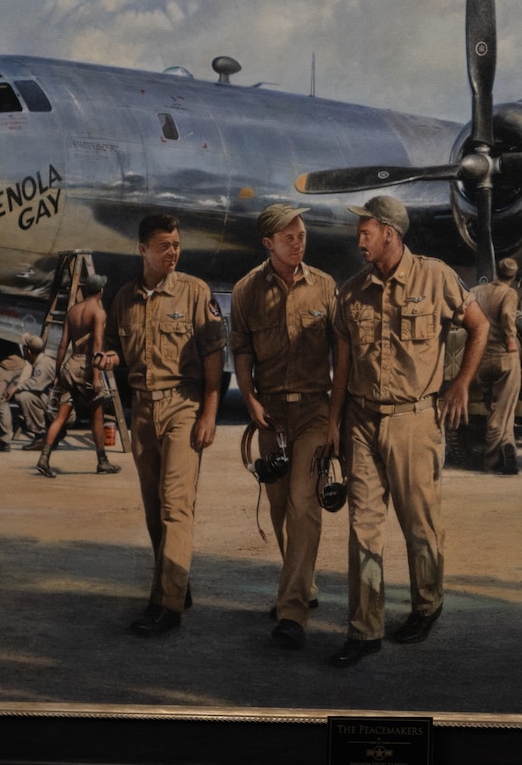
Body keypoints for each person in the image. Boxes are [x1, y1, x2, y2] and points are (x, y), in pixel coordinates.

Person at [326, 194, 487, 667]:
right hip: (360, 420)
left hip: (414, 420)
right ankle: (364, 629)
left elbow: (479, 326)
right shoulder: (351, 291)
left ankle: (427, 604)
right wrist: (334, 424)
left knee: (419, 524)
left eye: (366, 232)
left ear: (390, 235)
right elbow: (342, 363)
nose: (360, 239)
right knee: (363, 529)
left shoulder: (434, 277)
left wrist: (460, 385)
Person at [109, 213, 224, 636]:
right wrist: (110, 359)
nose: (172, 252)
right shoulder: (123, 298)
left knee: (177, 505)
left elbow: (215, 363)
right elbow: (118, 352)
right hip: (142, 411)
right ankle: (177, 582)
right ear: (143, 250)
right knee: (155, 510)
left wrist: (209, 414)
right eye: (164, 245)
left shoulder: (196, 293)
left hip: (183, 407)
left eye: (176, 244)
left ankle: (167, 604)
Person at [230, 203, 337, 649]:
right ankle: (303, 585)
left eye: (302, 236)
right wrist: (250, 400)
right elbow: (241, 351)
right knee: (279, 507)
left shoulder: (325, 288)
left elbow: (342, 354)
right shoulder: (245, 291)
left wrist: (336, 418)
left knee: (303, 504)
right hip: (271, 415)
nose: (298, 243)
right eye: (289, 237)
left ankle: (292, 611)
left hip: (314, 410)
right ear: (268, 243)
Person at [36, 274, 120, 477]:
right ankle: (102, 461)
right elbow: (98, 346)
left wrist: (58, 374)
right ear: (100, 291)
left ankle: (44, 458)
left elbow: (63, 345)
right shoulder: (98, 312)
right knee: (97, 414)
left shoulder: (73, 311)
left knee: (61, 416)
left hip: (69, 365)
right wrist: (96, 376)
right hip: (87, 365)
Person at [468, 256, 522, 476]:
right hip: (504, 358)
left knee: (497, 408)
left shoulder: (476, 291)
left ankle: (508, 446)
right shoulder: (509, 293)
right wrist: (510, 337)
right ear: (513, 276)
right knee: (503, 409)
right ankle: (491, 460)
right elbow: (508, 315)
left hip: (481, 359)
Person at [12, 334, 57, 444]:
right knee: (21, 397)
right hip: (55, 404)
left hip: (59, 410)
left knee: (25, 397)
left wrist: (16, 387)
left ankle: (40, 436)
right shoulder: (43, 360)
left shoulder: (44, 364)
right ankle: (51, 432)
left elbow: (37, 384)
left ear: (28, 351)